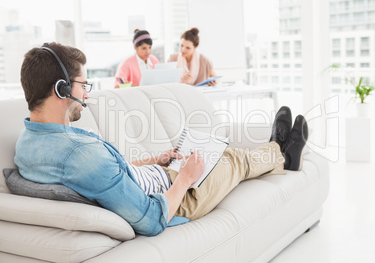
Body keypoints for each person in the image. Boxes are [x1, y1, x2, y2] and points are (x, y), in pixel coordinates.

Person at [15, 42, 308, 237]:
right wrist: (185, 179)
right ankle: (282, 152)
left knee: (212, 150)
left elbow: (108, 176)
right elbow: (151, 219)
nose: (87, 94)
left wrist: (153, 160)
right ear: (62, 88)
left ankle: (278, 148)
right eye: (83, 85)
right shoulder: (80, 155)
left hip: (156, 176)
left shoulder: (28, 142)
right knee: (231, 158)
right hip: (174, 199)